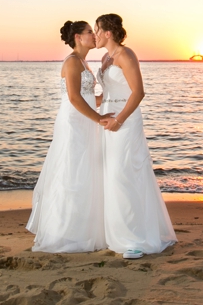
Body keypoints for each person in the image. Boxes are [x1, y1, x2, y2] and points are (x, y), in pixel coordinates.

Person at [95, 13, 177, 257]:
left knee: (125, 175)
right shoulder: (105, 58)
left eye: (98, 30)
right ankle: (117, 233)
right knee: (111, 176)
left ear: (108, 33)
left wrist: (119, 120)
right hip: (107, 120)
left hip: (125, 121)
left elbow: (138, 92)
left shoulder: (126, 55)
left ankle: (135, 240)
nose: (95, 35)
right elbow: (106, 93)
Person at [25, 21, 107, 253]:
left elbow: (89, 98)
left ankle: (84, 228)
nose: (94, 35)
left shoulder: (83, 62)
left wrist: (114, 101)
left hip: (85, 120)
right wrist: (99, 118)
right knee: (71, 172)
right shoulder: (71, 62)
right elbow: (74, 98)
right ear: (79, 37)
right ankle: (65, 232)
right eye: (90, 32)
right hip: (74, 123)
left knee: (85, 172)